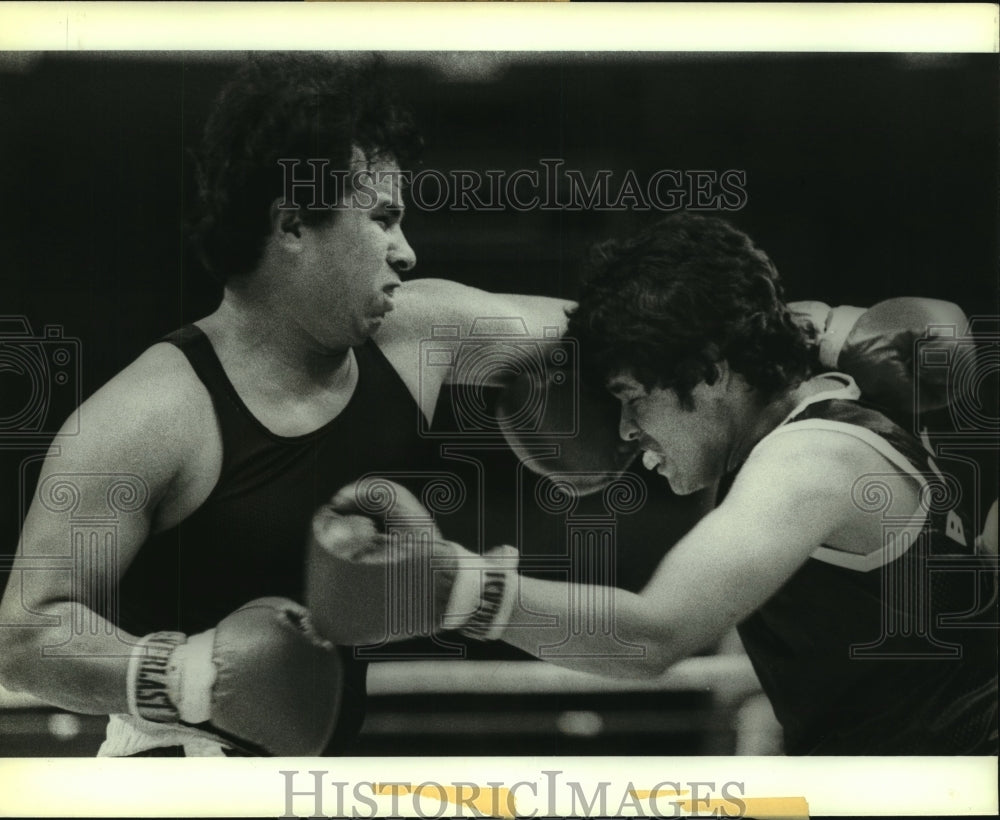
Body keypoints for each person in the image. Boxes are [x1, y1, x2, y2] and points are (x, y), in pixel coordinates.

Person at [0, 53, 573, 757]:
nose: (407, 252)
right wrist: (190, 679)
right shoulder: (149, 415)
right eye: (383, 219)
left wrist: (605, 395)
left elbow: (610, 332)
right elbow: (26, 635)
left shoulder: (418, 337)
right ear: (295, 224)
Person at [316, 213, 998, 755]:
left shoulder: (811, 458)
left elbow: (654, 634)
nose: (629, 439)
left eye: (632, 397)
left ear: (707, 368)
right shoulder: (816, 415)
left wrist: (453, 588)